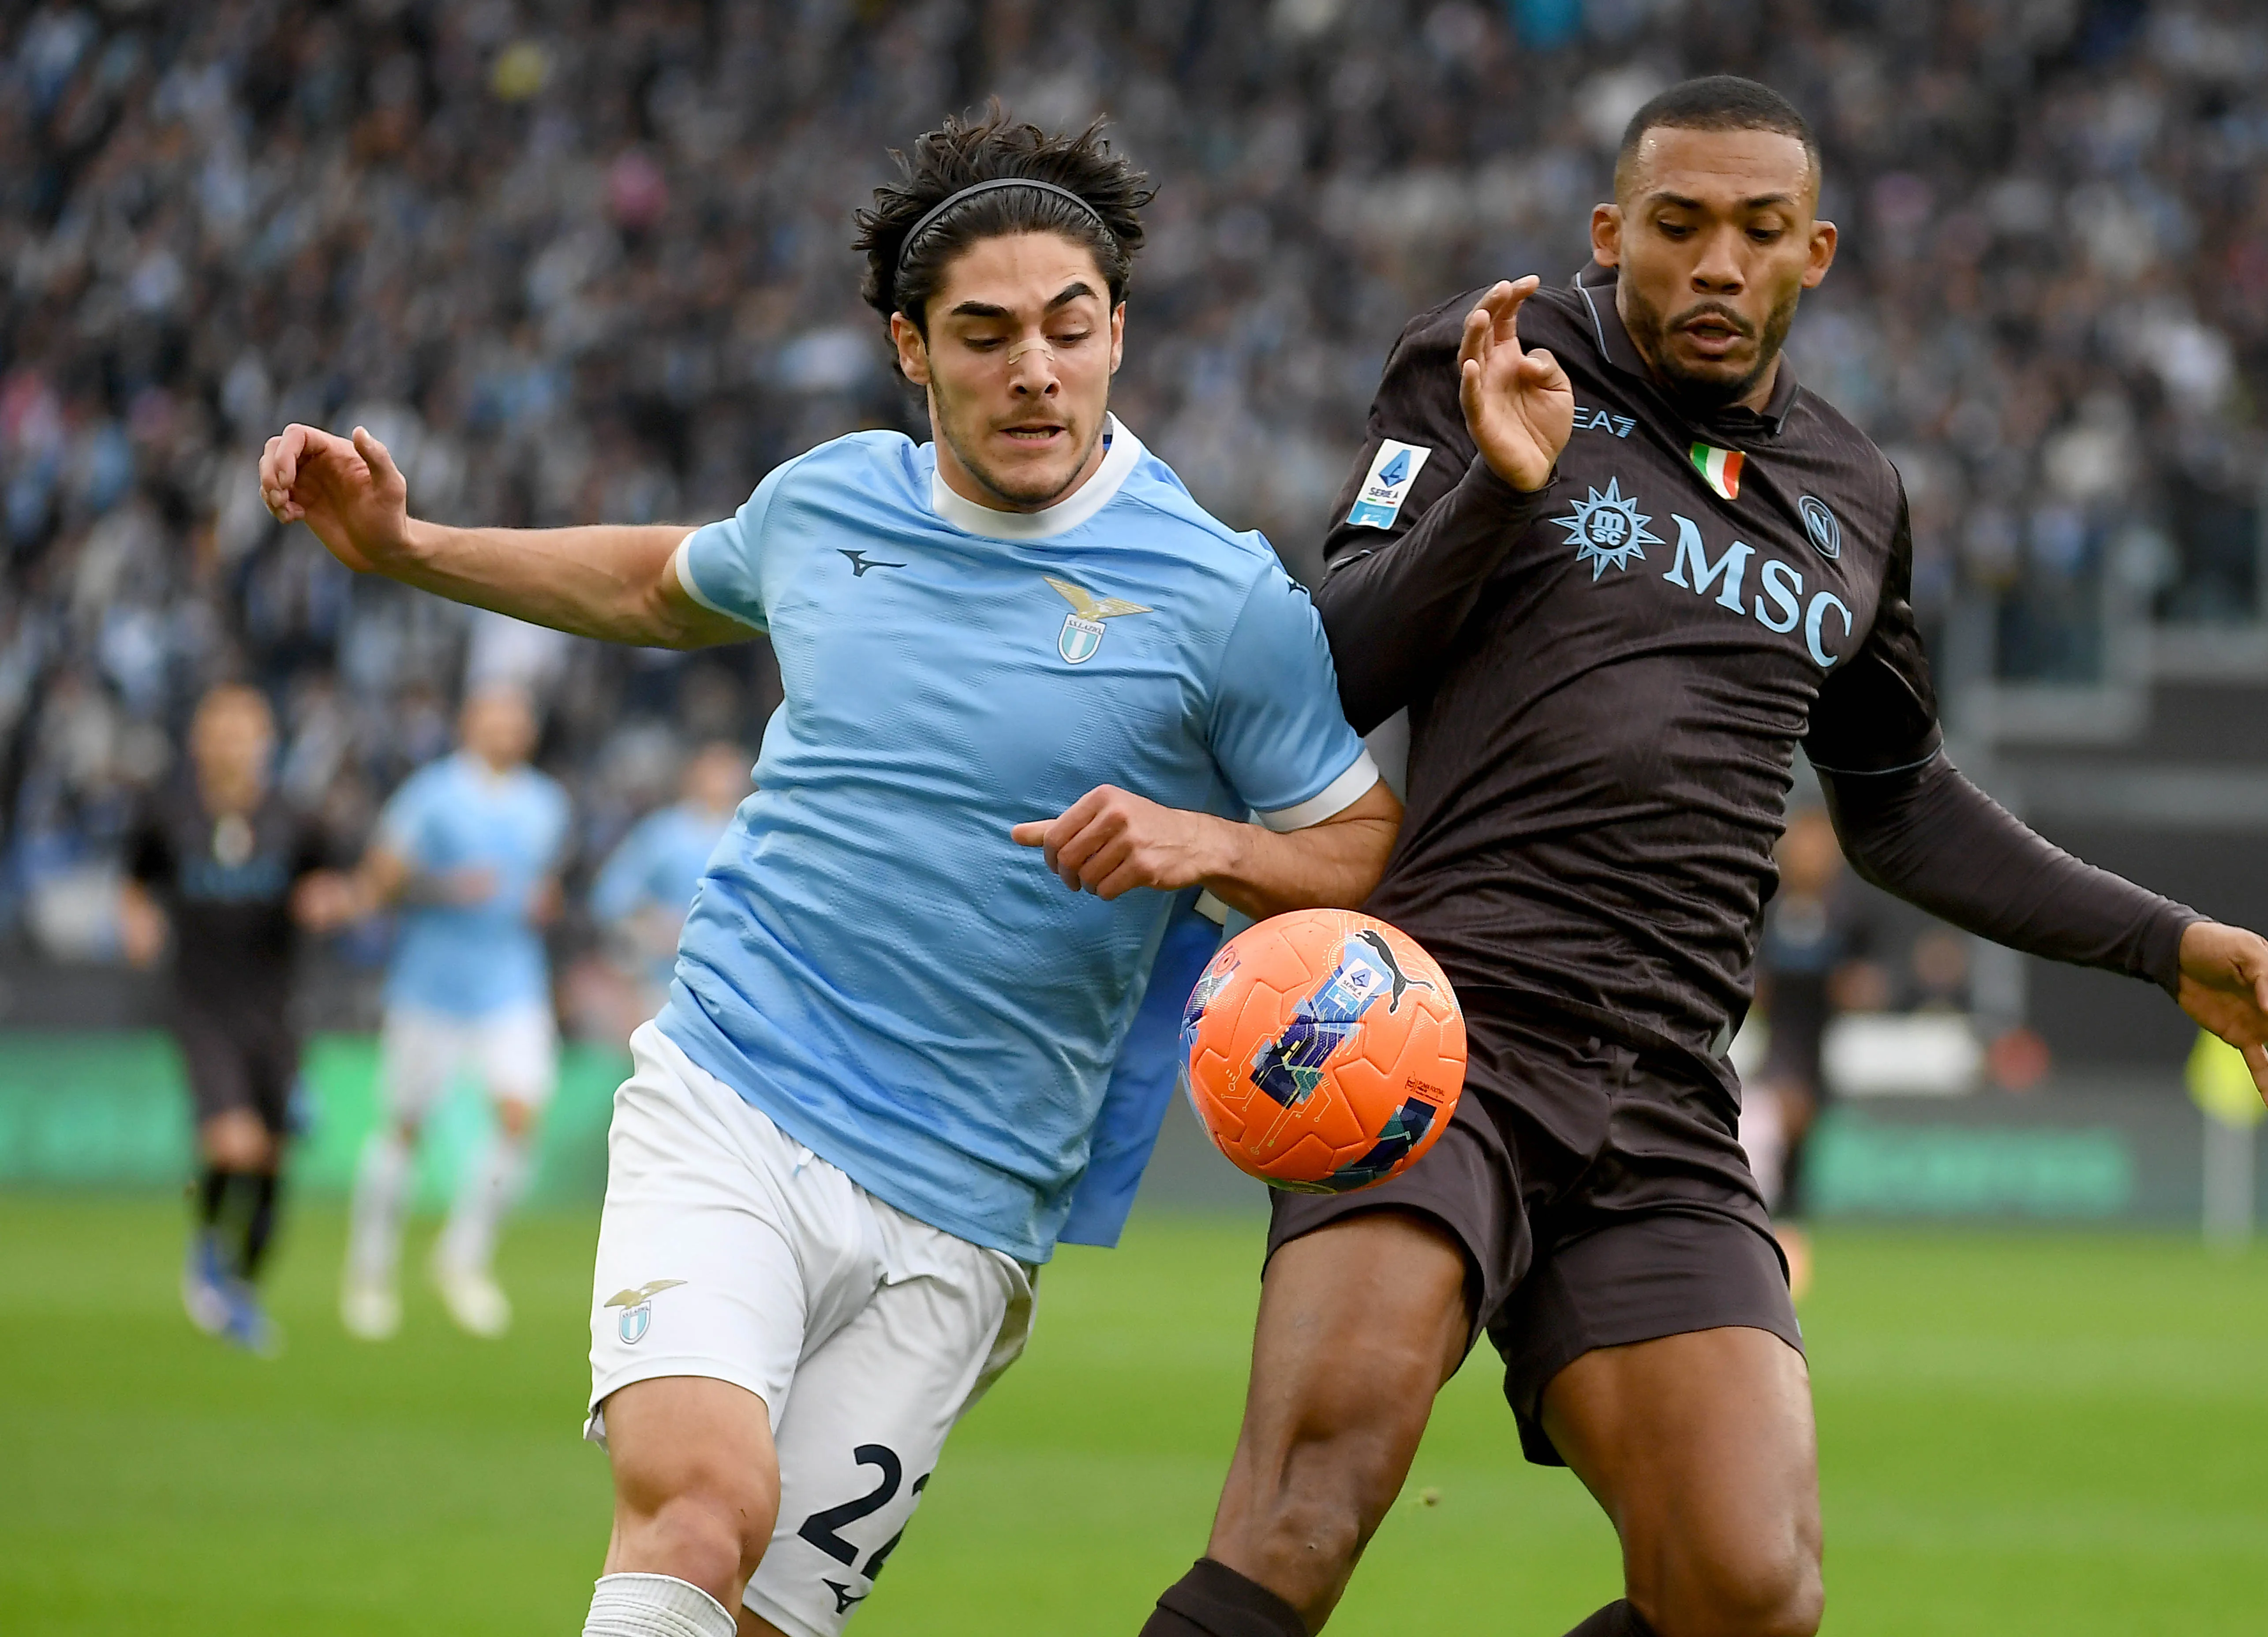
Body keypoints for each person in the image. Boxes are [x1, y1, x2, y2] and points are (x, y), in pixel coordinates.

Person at [1136, 77, 2268, 1637]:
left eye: (1755, 230)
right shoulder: (1502, 367)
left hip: (1662, 1091)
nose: (1713, 262)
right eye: (1676, 226)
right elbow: (1321, 675)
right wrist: (1494, 500)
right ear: (1609, 233)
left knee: (1746, 1593)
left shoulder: (1853, 494)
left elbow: (1898, 801)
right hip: (1432, 1041)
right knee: (1309, 1507)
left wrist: (2163, 939)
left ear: (1816, 254)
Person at [261, 111, 1400, 1637]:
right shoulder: (825, 504)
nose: (1032, 372)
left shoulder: (1220, 597)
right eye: (982, 336)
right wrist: (410, 549)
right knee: (699, 1503)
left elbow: (1362, 857)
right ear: (907, 350)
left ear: (1117, 333)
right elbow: (656, 584)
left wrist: (1209, 846)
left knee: (760, 1614)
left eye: (1068, 330)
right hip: (737, 1091)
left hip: (972, 1208)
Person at [121, 682, 355, 1355]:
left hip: (276, 1008)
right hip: (201, 1003)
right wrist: (136, 921)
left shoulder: (296, 819)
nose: (231, 745)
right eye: (219, 731)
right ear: (199, 741)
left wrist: (330, 902)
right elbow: (135, 879)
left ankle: (241, 1287)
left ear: (264, 743)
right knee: (234, 1143)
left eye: (244, 733)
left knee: (273, 1163)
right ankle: (206, 1257)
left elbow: (334, 885)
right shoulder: (167, 812)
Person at [338, 685, 572, 1342]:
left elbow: (541, 882)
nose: (506, 728)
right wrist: (444, 886)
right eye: (494, 716)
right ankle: (370, 1273)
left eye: (516, 717)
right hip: (431, 987)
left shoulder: (547, 804)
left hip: (511, 983)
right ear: (470, 724)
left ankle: (463, 1259)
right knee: (406, 1127)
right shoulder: (430, 796)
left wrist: (541, 902)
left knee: (520, 1115)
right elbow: (380, 879)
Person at [1740, 804, 1883, 1296]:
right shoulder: (1765, 905)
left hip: (1820, 1048)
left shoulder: (1850, 913)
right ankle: (1764, 1242)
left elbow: (1873, 980)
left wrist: (1860, 988)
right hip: (1769, 1049)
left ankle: (1785, 1244)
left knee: (1797, 1145)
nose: (1809, 854)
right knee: (1777, 1127)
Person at [591, 742, 754, 1025]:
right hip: (666, 982)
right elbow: (611, 896)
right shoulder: (665, 834)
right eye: (714, 770)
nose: (721, 780)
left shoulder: (752, 838)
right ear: (694, 775)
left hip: (736, 984)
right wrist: (650, 925)